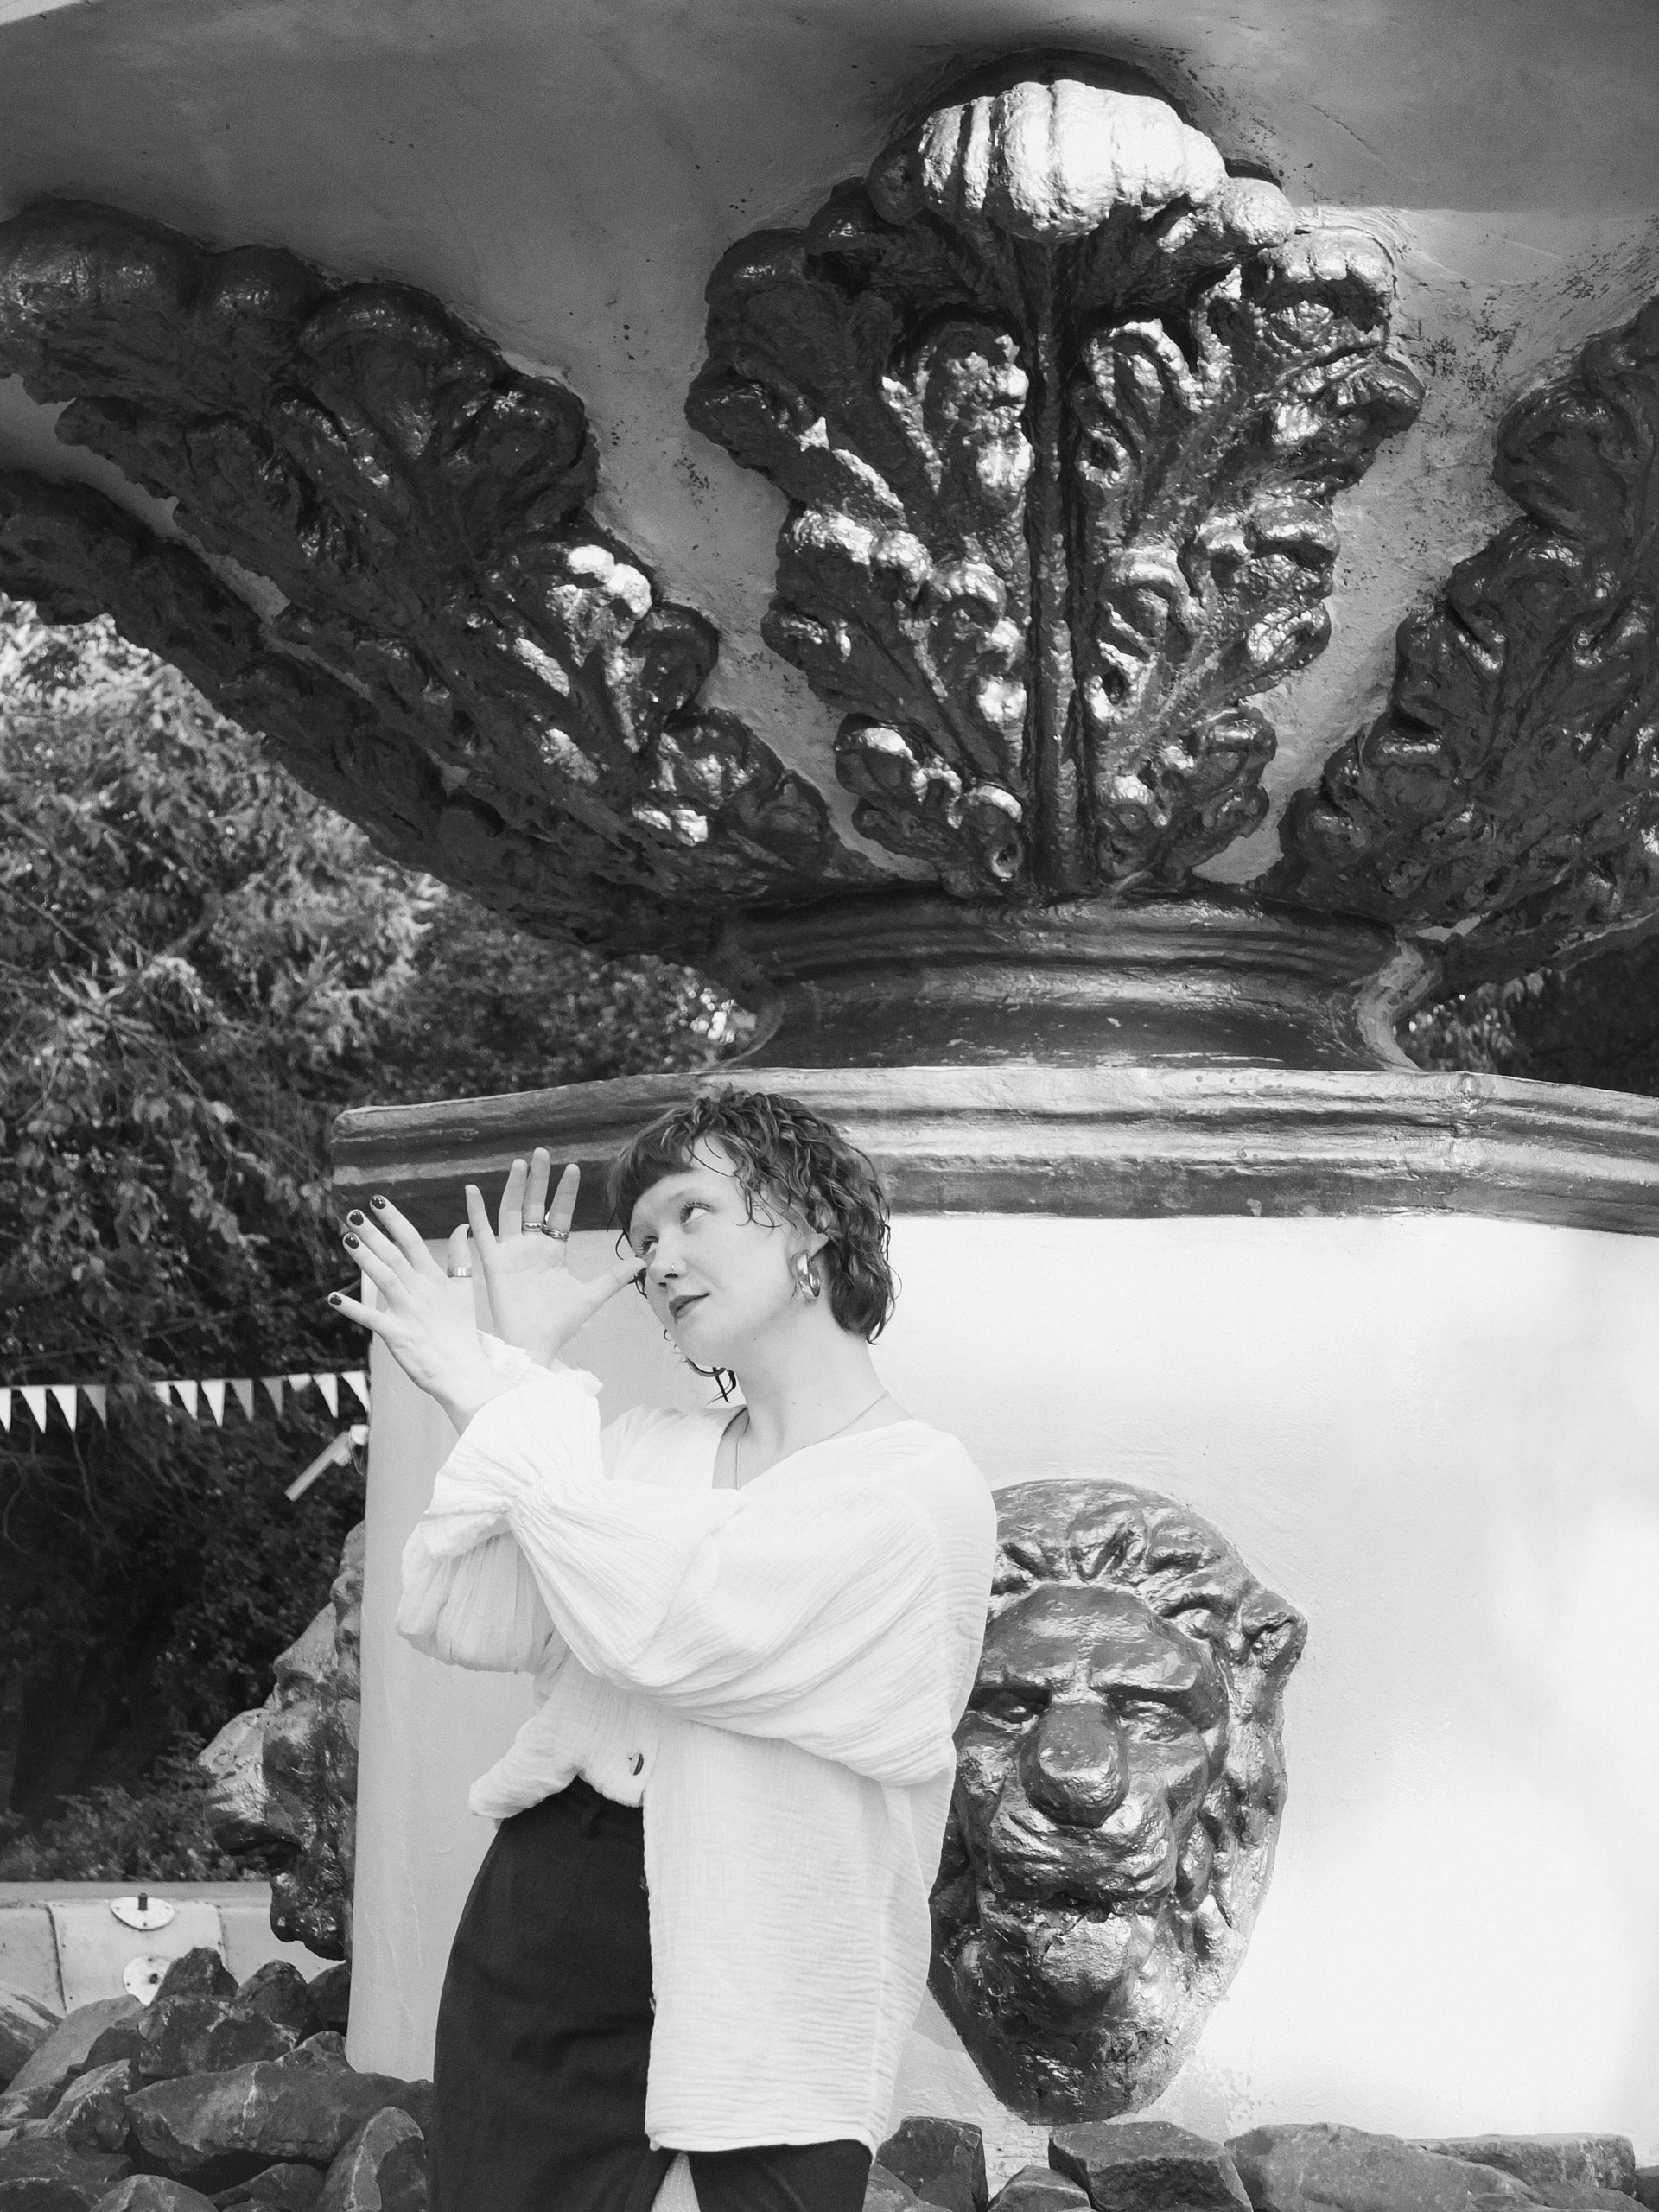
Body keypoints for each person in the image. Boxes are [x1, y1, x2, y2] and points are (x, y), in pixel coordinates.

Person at [328, 1087, 998, 2212]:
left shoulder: (919, 1494)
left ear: (811, 1222)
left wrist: (492, 1389)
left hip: (769, 2006)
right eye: (642, 1239)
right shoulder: (644, 1450)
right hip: (536, 1964)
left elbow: (673, 1620)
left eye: (692, 1213)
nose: (659, 1260)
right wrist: (524, 1367)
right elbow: (472, 1605)